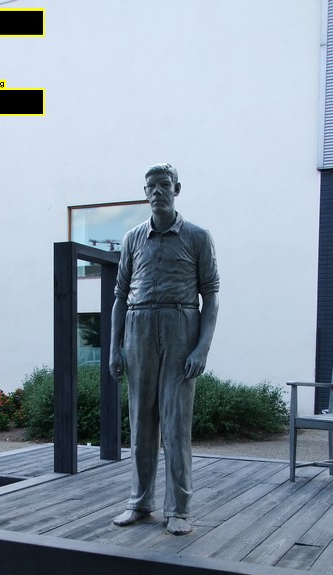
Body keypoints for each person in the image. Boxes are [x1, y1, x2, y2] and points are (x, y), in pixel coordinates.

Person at [109, 164, 220, 535]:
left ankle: (179, 510)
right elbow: (120, 297)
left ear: (177, 189)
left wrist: (202, 348)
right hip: (138, 329)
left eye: (164, 185)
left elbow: (211, 296)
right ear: (145, 192)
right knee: (141, 422)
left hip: (180, 328)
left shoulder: (197, 236)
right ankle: (140, 503)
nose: (157, 191)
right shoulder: (132, 239)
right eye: (151, 186)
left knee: (175, 424)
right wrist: (114, 348)